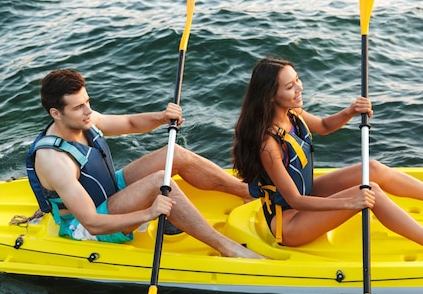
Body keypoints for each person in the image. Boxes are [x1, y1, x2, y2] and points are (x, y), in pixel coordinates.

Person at [232, 57, 423, 260]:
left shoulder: (293, 112)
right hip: (289, 225)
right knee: (371, 191)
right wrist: (350, 202)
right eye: (290, 86)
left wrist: (351, 111)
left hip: (307, 195)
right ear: (270, 96)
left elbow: (322, 125)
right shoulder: (269, 145)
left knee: (371, 169)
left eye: (297, 79)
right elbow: (295, 200)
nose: (299, 87)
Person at [26, 69, 262, 259]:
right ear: (56, 113)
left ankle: (249, 192)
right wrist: (147, 214)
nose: (88, 111)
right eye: (78, 107)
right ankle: (226, 247)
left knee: (174, 153)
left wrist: (161, 117)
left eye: (87, 102)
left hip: (110, 193)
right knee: (159, 181)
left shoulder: (84, 119)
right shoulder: (55, 161)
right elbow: (93, 223)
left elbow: (129, 123)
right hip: (85, 226)